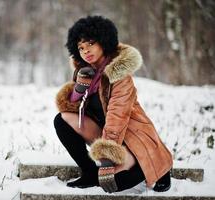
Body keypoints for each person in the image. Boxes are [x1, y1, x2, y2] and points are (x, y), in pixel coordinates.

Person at [53, 15, 173, 193]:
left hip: (131, 137)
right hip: (106, 132)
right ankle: (89, 172)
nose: (86, 51)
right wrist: (78, 89)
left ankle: (158, 165)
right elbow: (77, 112)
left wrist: (107, 158)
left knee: (115, 183)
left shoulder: (120, 75)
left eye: (90, 43)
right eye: (81, 47)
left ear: (103, 41)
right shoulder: (85, 72)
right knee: (61, 120)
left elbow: (117, 116)